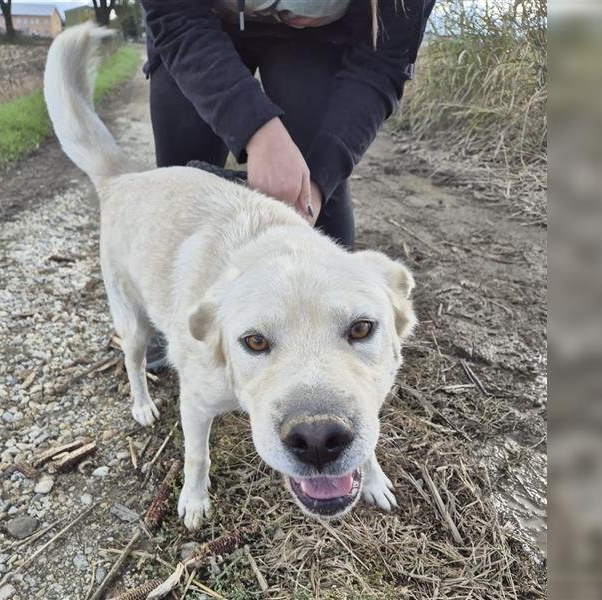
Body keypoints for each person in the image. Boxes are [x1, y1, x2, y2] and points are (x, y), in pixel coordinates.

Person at [140, 0, 434, 369]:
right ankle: (181, 323)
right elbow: (174, 18)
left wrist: (317, 180)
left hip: (314, 41)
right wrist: (256, 130)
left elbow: (382, 63)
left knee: (319, 179)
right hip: (199, 20)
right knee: (180, 179)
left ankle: (335, 328)